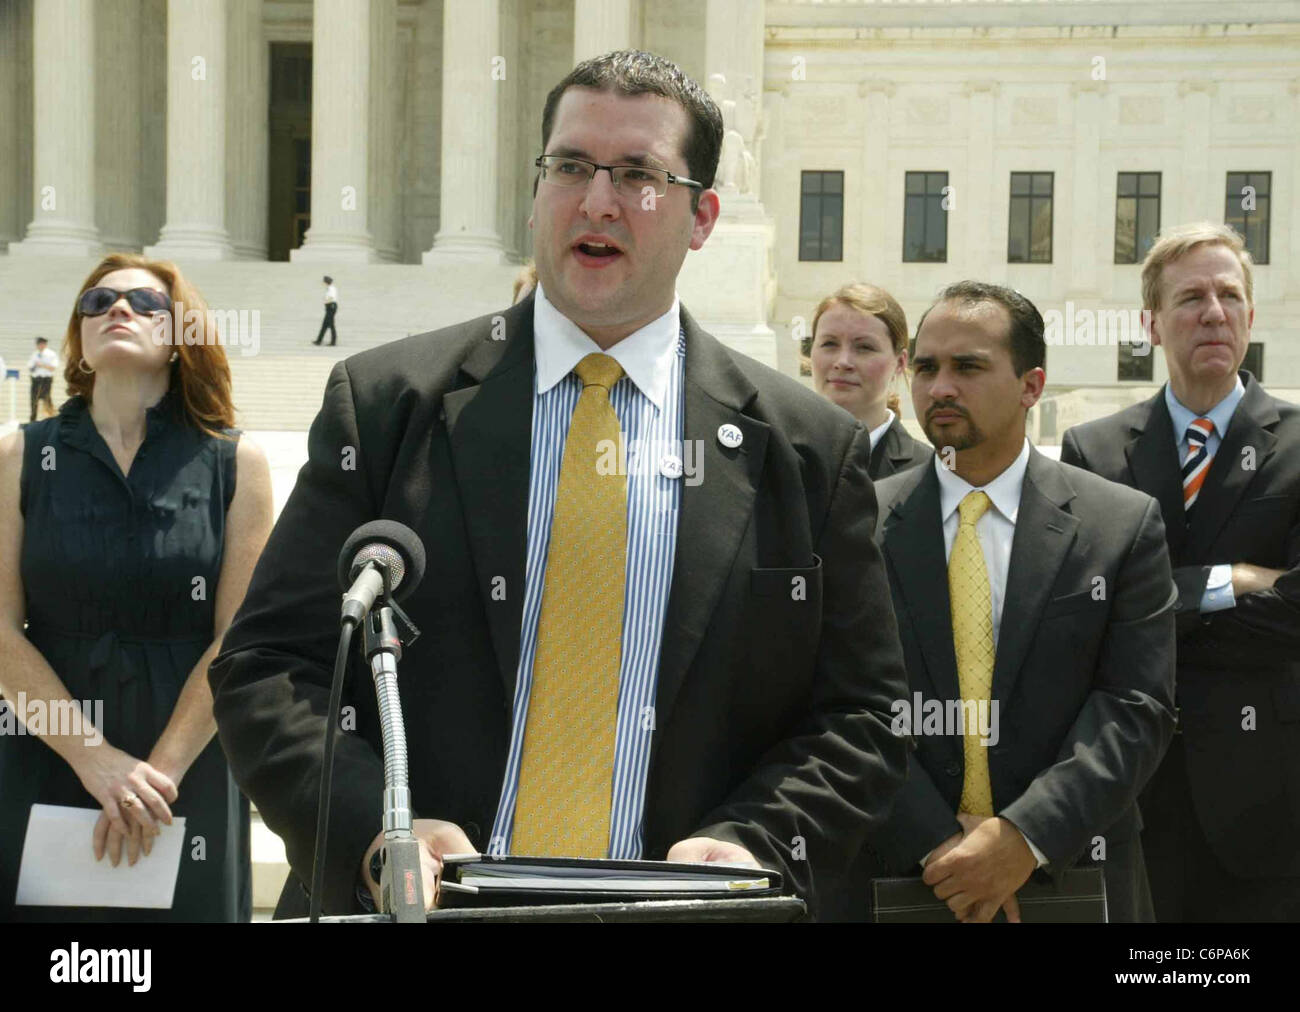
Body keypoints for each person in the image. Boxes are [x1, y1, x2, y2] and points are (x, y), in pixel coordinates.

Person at [209, 49, 909, 918]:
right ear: (537, 190)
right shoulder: (386, 407)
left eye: (640, 175)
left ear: (702, 218)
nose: (599, 200)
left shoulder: (809, 450)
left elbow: (862, 715)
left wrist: (753, 845)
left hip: (682, 912)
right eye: (571, 166)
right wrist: (375, 831)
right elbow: (268, 664)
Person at [821, 281, 1177, 922]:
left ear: (1031, 386)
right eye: (926, 367)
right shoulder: (856, 523)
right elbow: (838, 701)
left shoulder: (1119, 526)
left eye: (968, 367)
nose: (940, 387)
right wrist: (941, 844)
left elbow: (1136, 706)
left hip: (1071, 876)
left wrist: (1022, 838)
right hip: (902, 878)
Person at [0, 253, 274, 921]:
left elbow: (236, 641)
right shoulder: (19, 455)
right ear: (79, 340)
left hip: (186, 766)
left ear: (181, 337)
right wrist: (96, 761)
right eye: (96, 303)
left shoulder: (236, 462)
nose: (116, 310)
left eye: (143, 303)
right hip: (49, 749)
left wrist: (156, 778)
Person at [1061, 222, 1300, 921]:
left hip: (1270, 797)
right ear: (1152, 323)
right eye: (1191, 297)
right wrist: (1234, 582)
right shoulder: (1094, 452)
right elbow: (1080, 613)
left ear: (1252, 316)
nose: (1214, 312)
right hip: (1130, 794)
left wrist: (1150, 611)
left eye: (1230, 295)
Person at [809, 282, 930, 479]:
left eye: (864, 347)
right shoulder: (771, 457)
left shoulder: (930, 474)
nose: (842, 362)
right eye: (829, 343)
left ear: (900, 363)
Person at [27, 336, 58, 422]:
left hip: (46, 379)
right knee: (34, 400)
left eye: (41, 344)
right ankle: (32, 420)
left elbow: (53, 367)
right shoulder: (34, 354)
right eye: (38, 344)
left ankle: (52, 418)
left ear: (45, 344)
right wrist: (35, 366)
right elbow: (30, 366)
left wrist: (42, 365)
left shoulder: (51, 354)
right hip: (36, 379)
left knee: (47, 399)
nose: (39, 346)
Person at [313, 276, 338, 346]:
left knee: (331, 324)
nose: (322, 283)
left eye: (323, 281)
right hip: (329, 307)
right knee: (325, 324)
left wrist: (326, 301)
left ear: (326, 282)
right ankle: (319, 340)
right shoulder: (330, 288)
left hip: (331, 307)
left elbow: (331, 298)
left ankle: (333, 341)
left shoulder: (331, 288)